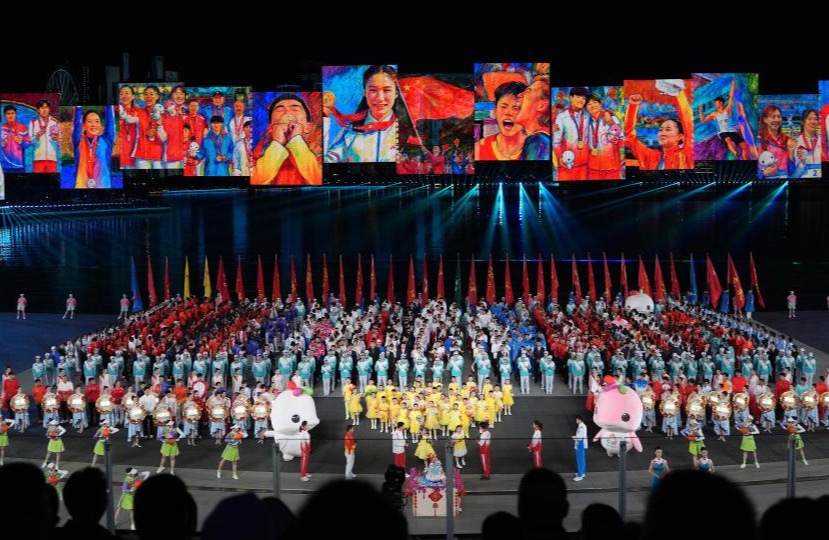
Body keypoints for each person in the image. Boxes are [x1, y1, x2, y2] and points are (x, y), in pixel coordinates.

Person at [325, 65, 401, 163]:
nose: (380, 98)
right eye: (373, 90)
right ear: (365, 92)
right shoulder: (350, 132)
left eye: (387, 90)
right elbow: (325, 165)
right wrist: (324, 120)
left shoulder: (407, 132)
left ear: (396, 93)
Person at [251, 94, 322, 185]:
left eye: (295, 109)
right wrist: (277, 144)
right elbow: (254, 181)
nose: (287, 113)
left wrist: (296, 140)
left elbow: (319, 179)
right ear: (270, 129)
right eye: (280, 109)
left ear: (307, 127)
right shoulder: (255, 156)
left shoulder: (320, 157)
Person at [624, 80, 694, 170]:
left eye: (668, 129)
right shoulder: (650, 156)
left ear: (680, 136)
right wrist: (633, 106)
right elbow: (629, 136)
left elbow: (689, 126)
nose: (662, 133)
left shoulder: (686, 155)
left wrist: (678, 95)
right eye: (661, 130)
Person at [698, 78, 752, 160]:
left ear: (721, 103)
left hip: (732, 131)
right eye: (715, 103)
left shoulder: (728, 110)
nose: (716, 105)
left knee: (744, 146)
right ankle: (736, 153)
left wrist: (733, 84)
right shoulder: (714, 114)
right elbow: (703, 120)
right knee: (728, 140)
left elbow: (731, 96)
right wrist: (700, 111)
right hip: (723, 132)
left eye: (717, 103)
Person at [474, 81, 527, 161]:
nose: (508, 113)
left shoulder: (536, 149)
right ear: (495, 110)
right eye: (504, 107)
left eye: (516, 108)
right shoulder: (479, 148)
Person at [585, 92, 624, 180]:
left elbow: (620, 136)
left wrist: (610, 122)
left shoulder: (610, 117)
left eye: (595, 102)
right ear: (586, 108)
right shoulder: (585, 122)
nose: (592, 105)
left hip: (611, 166)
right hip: (593, 167)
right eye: (589, 104)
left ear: (600, 105)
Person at [517, 76, 551, 161]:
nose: (519, 95)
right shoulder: (542, 139)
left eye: (528, 91)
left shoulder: (538, 141)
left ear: (541, 105)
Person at [756, 104, 795, 179]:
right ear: (765, 119)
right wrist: (763, 173)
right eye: (773, 116)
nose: (777, 120)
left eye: (779, 116)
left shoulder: (787, 140)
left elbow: (792, 171)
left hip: (784, 183)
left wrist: (791, 153)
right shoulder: (757, 141)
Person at [28, 100, 60, 173]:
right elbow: (30, 141)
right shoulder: (33, 123)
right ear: (38, 110)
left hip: (52, 158)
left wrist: (58, 140)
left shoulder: (54, 123)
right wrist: (37, 137)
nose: (45, 110)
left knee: (51, 182)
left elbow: (60, 142)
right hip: (38, 159)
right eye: (42, 108)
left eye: (46, 107)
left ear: (49, 109)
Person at [792, 108, 821, 178]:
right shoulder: (796, 143)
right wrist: (802, 164)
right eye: (809, 119)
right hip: (804, 183)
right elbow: (794, 175)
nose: (813, 122)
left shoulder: (823, 141)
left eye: (815, 119)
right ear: (803, 121)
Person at [1, 104, 30, 172]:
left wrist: (21, 142)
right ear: (5, 116)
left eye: (12, 113)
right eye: (8, 114)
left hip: (19, 165)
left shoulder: (22, 127)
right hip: (4, 165)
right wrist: (2, 144)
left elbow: (28, 143)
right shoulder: (1, 129)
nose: (10, 115)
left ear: (16, 115)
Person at [572, 414, 587, 481]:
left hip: (580, 444)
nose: (576, 420)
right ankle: (582, 472)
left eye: (576, 419)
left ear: (579, 420)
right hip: (581, 444)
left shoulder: (581, 427)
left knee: (580, 459)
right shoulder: (581, 426)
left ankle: (580, 475)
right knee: (582, 459)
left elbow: (580, 437)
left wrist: (574, 437)